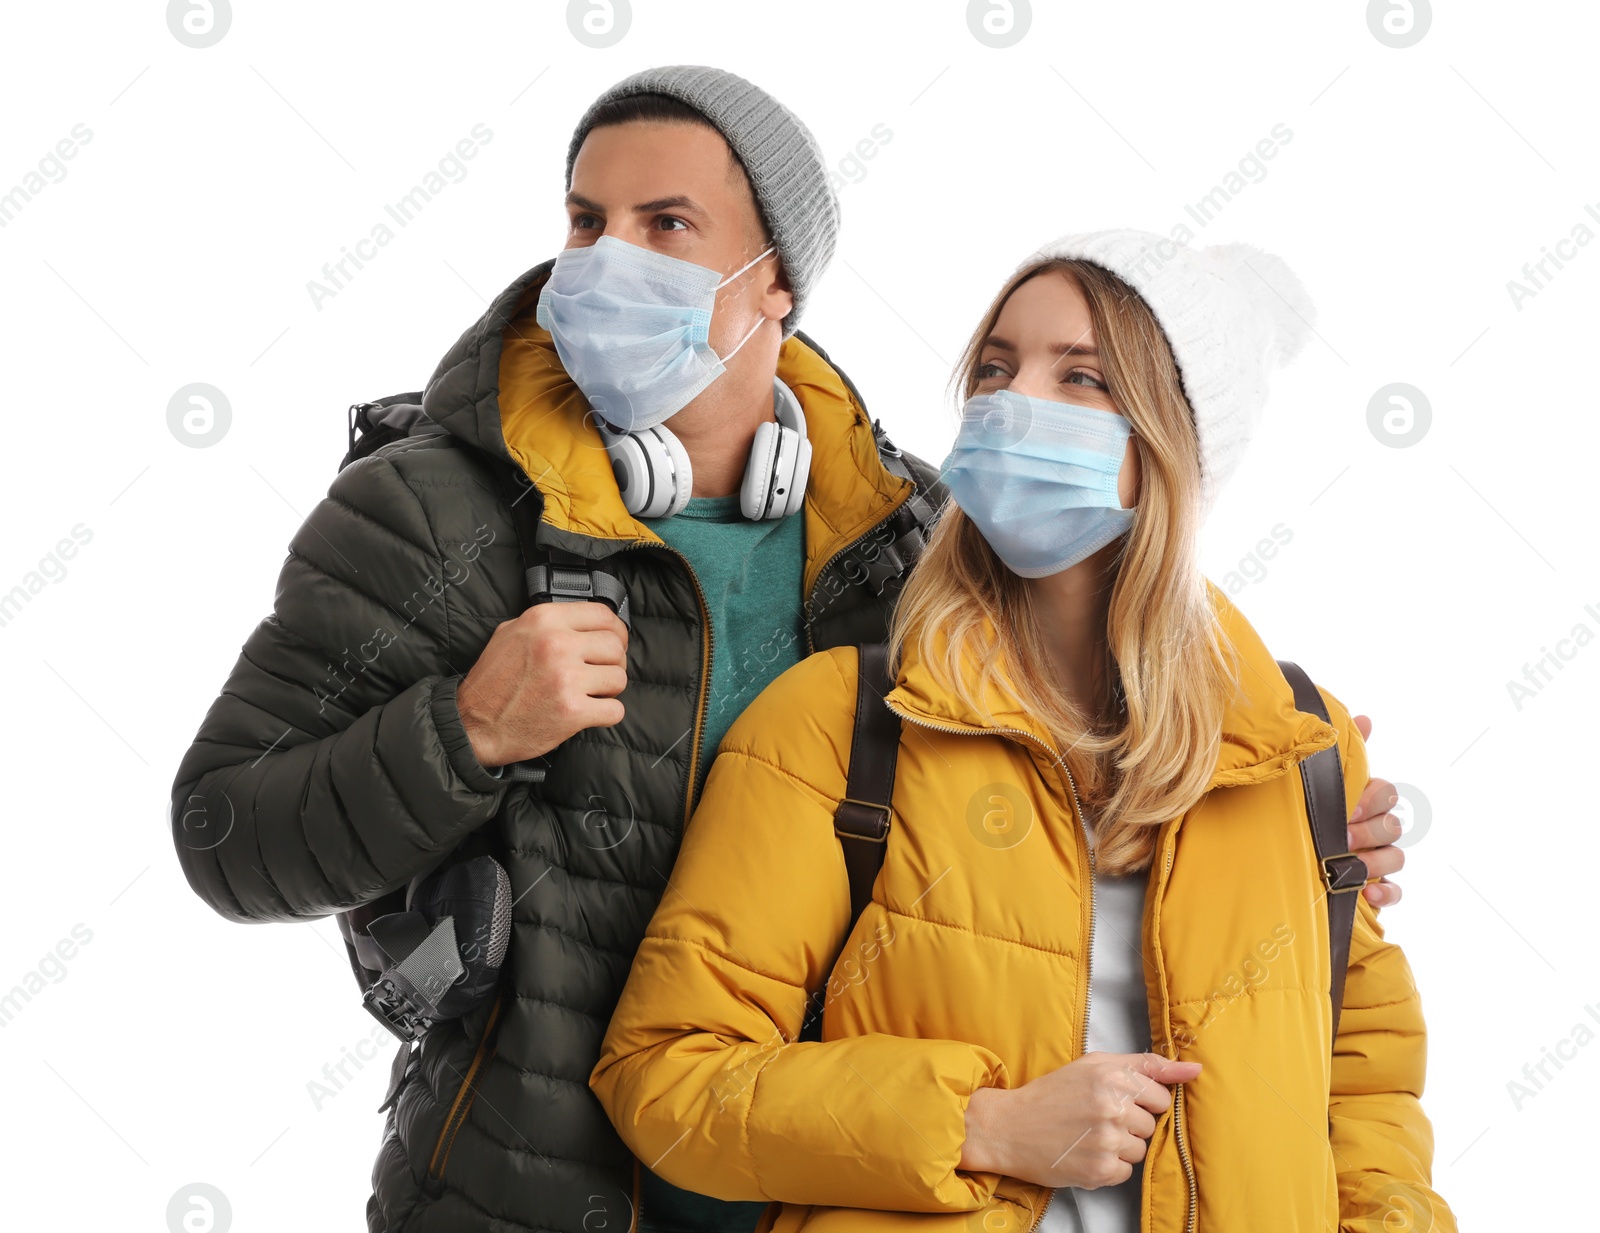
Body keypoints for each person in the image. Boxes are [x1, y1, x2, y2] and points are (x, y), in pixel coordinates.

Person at [167, 64, 1411, 1233]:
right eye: (586, 222)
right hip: (522, 1186)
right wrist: (466, 731)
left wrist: (1293, 822)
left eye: (667, 225)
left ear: (778, 282)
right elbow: (226, 833)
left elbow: (1079, 731)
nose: (607, 262)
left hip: (832, 1190)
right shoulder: (430, 514)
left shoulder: (911, 541)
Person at [590, 231, 1455, 1232]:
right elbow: (665, 1079)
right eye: (994, 369)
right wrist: (977, 1126)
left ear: (1176, 441)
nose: (1010, 402)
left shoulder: (1297, 749)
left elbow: (1363, 1085)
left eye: (1079, 375)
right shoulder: (842, 725)